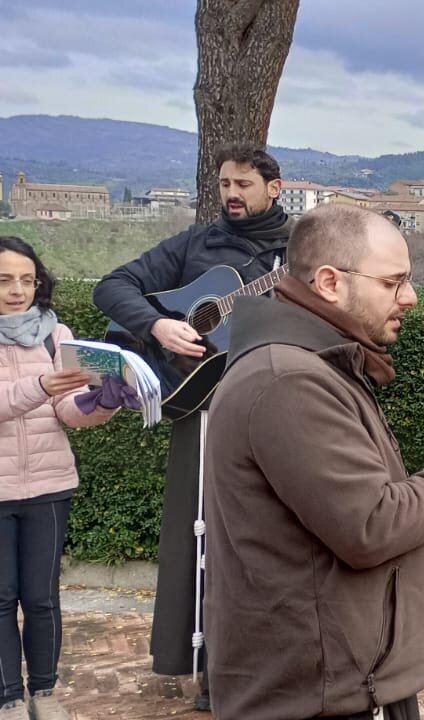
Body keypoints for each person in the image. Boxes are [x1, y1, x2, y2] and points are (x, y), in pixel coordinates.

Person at [200, 204, 424, 719]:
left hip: (345, 683)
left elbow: (352, 507)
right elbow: (370, 525)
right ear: (330, 282)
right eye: (393, 282)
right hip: (318, 697)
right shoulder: (289, 380)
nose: (410, 297)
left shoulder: (319, 365)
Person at [91, 143, 293, 707]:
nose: (232, 194)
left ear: (274, 188)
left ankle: (268, 668)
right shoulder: (196, 243)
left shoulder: (299, 249)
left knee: (266, 538)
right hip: (200, 407)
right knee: (197, 537)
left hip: (272, 408)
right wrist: (157, 326)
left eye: (243, 184)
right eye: (225, 183)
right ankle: (207, 670)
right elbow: (111, 286)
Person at [0, 237, 127, 720]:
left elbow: (65, 409)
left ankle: (45, 694)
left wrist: (101, 402)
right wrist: (39, 385)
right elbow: (30, 395)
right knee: (0, 599)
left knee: (41, 598)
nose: (18, 290)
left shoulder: (56, 334)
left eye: (27, 280)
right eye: (5, 280)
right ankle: (9, 698)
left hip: (49, 486)